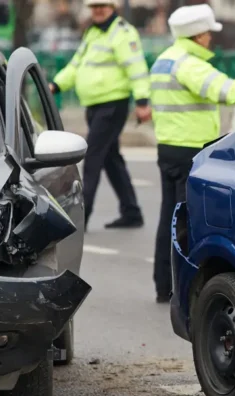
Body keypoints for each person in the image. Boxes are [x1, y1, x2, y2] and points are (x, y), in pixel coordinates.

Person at [150, 4, 235, 303]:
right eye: (209, 32)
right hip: (190, 150)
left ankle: (163, 284)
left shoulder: (164, 60)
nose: (211, 37)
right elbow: (225, 91)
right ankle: (181, 288)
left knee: (168, 219)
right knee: (187, 223)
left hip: (168, 147)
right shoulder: (189, 64)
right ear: (198, 35)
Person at [49, 0, 148, 230]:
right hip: (94, 106)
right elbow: (76, 65)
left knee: (92, 157)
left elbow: (137, 67)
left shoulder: (123, 32)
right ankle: (132, 212)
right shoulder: (92, 33)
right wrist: (56, 85)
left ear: (113, 7)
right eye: (94, 6)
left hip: (113, 104)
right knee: (111, 158)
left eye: (102, 5)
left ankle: (80, 218)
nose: (98, 10)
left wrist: (142, 101)